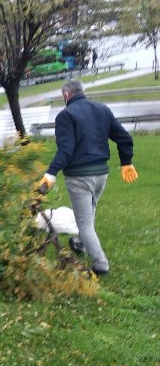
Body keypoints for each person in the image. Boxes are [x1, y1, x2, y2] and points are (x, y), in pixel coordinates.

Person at [38, 79, 138, 277]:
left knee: (83, 223)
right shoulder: (102, 109)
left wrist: (50, 174)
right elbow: (125, 138)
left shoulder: (66, 115)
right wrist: (126, 162)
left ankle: (100, 265)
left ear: (66, 95)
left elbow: (66, 151)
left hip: (79, 177)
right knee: (89, 210)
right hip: (101, 174)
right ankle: (79, 244)